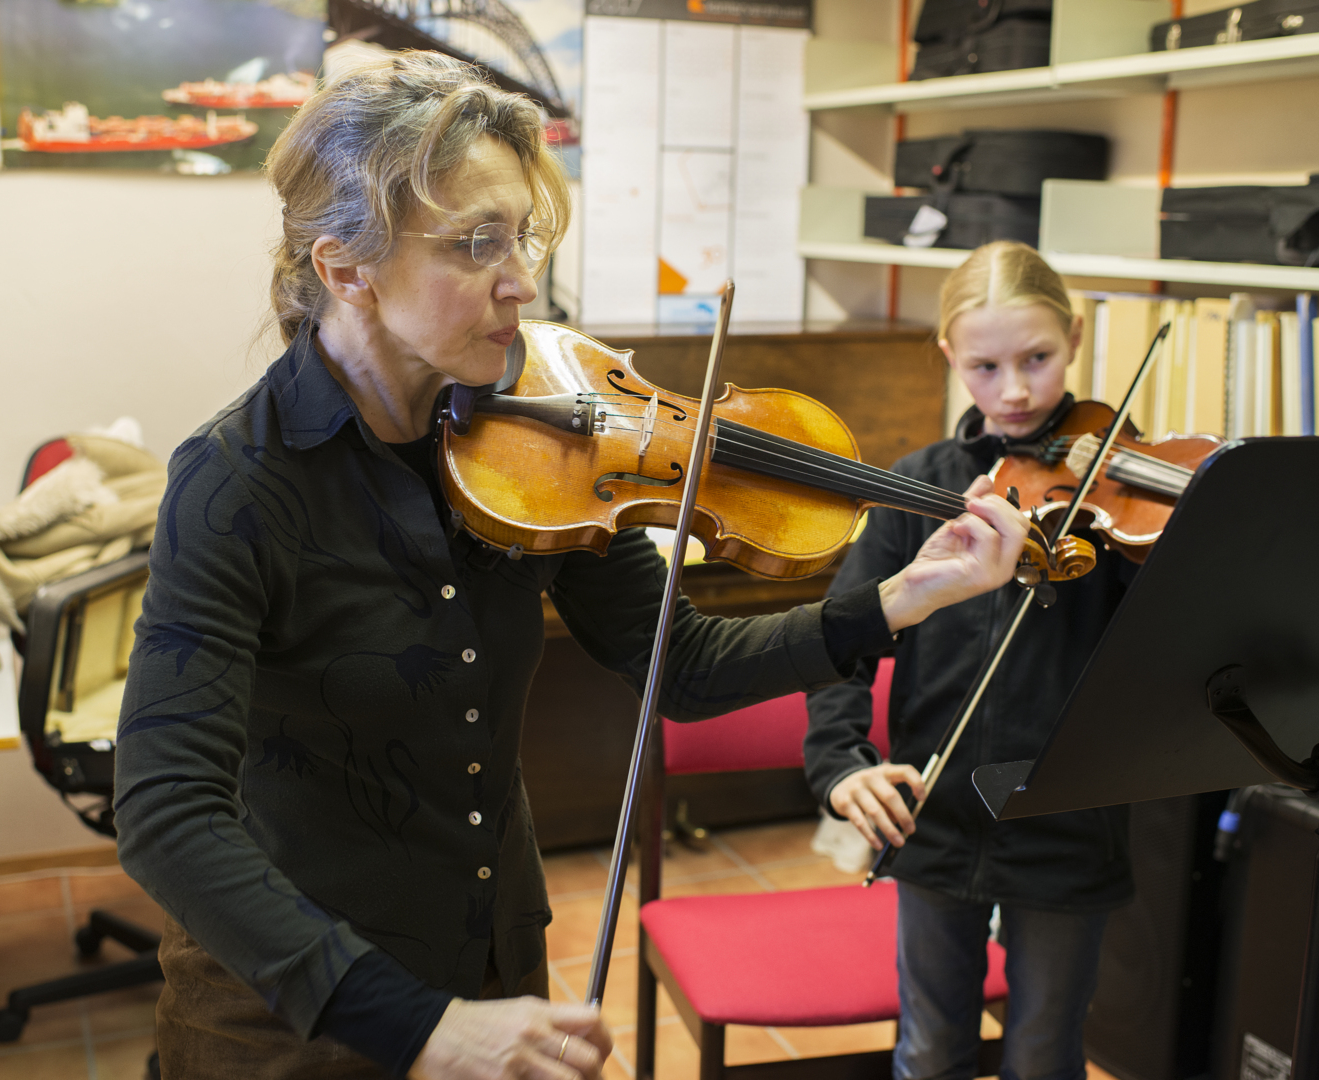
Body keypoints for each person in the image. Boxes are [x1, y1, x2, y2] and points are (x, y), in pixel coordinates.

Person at [113, 51, 1031, 1080]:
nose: (524, 282)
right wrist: (415, 1026)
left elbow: (678, 663)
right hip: (294, 1017)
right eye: (476, 245)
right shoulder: (238, 482)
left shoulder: (535, 441)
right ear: (345, 270)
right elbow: (165, 813)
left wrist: (905, 597)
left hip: (490, 965)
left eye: (522, 238)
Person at [805, 241, 1140, 1080]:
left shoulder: (1118, 496)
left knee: (1042, 1052)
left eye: (1038, 359)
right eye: (986, 367)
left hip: (1066, 820)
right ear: (952, 357)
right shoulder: (919, 489)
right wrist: (842, 763)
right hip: (936, 813)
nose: (1016, 391)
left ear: (1075, 337)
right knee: (930, 1046)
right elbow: (838, 637)